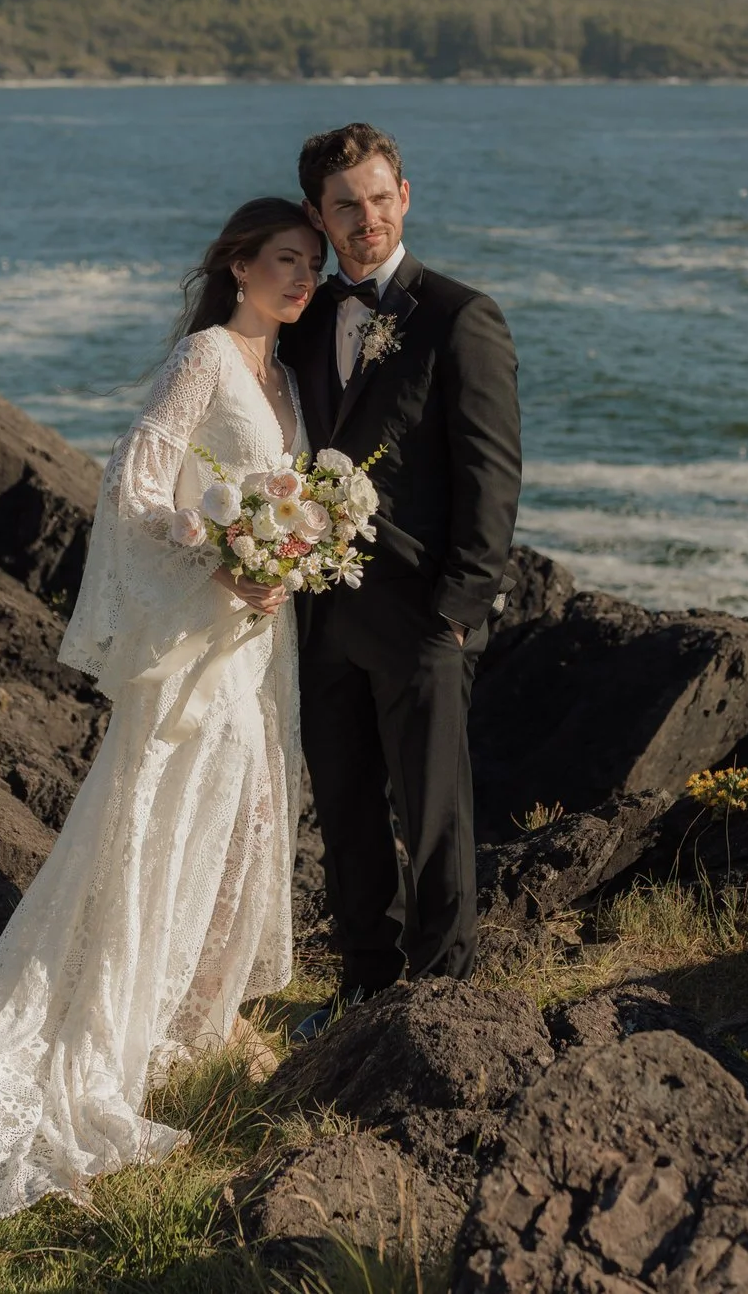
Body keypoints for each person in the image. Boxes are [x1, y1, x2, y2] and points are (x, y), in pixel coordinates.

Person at [0, 197, 323, 1221]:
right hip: (201, 639)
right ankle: (114, 1029)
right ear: (239, 263)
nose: (302, 276)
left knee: (235, 819)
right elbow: (135, 481)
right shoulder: (207, 354)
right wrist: (222, 555)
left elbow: (274, 497)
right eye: (286, 258)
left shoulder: (285, 375)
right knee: (164, 817)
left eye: (313, 263)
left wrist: (287, 557)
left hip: (258, 642)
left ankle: (187, 1021)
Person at [284, 123, 522, 1024]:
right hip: (322, 615)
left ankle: (443, 999)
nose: (366, 217)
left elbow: (491, 477)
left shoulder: (461, 317)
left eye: (380, 198)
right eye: (345, 204)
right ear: (319, 214)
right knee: (343, 809)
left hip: (424, 615)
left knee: (434, 816)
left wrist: (457, 613)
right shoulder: (306, 324)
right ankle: (363, 983)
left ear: (405, 197)